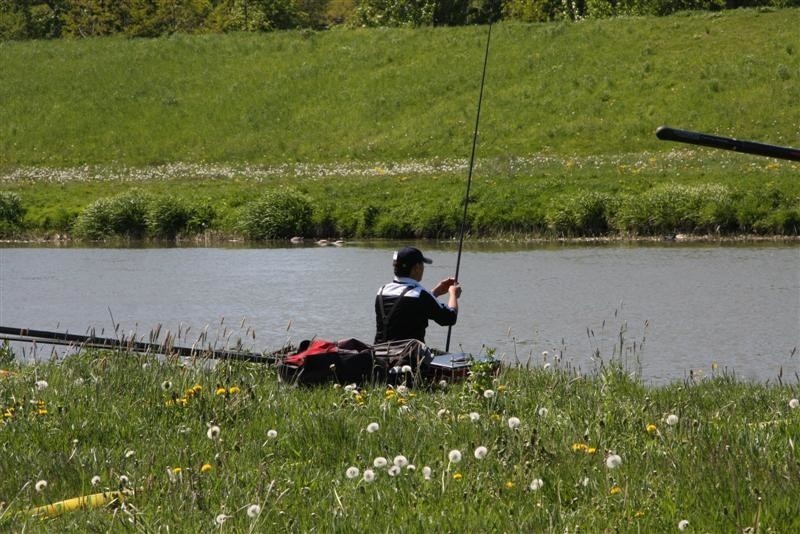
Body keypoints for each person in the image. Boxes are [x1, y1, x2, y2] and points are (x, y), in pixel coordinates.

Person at [374, 246, 461, 344]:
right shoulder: (419, 295)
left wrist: (435, 292)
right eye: (422, 265)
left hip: (379, 354)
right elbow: (450, 318)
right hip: (408, 356)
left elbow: (408, 306)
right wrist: (453, 294)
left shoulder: (381, 291)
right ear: (416, 268)